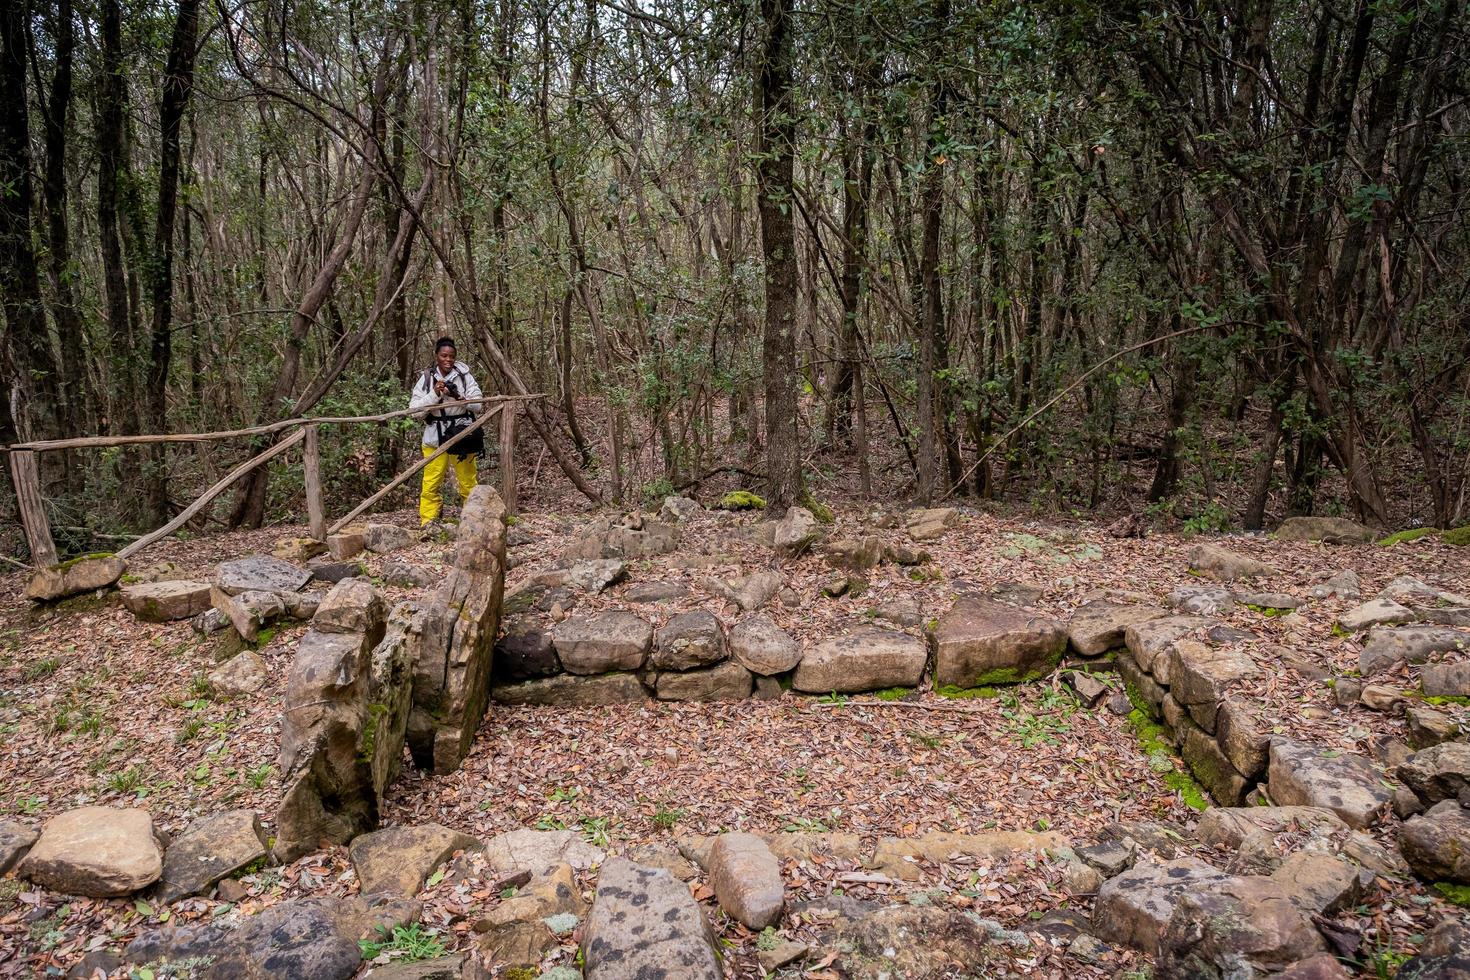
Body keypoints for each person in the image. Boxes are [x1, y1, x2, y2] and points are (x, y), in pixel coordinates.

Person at [409, 336, 484, 526]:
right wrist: (435, 393)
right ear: (436, 356)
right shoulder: (426, 379)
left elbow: (478, 405)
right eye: (444, 356)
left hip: (462, 434)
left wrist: (458, 396)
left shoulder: (465, 376)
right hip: (435, 436)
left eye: (451, 356)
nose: (448, 360)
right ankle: (428, 522)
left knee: (468, 482)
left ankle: (474, 522)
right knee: (431, 482)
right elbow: (414, 412)